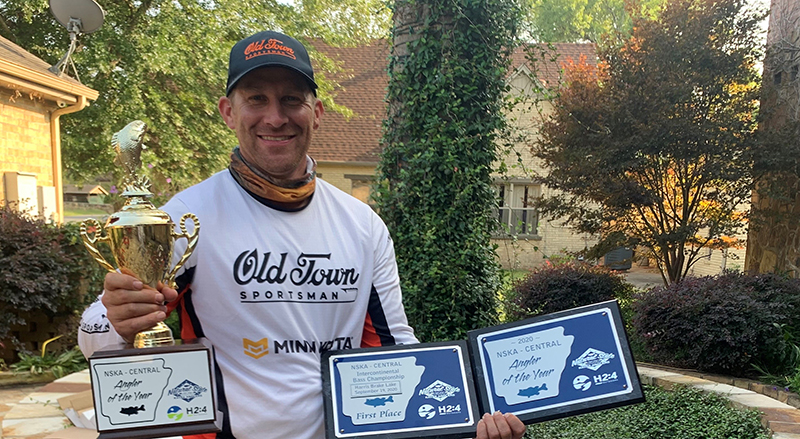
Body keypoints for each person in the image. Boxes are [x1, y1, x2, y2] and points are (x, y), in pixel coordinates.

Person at [78, 30, 526, 439]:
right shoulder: (187, 215)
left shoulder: (362, 222)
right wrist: (120, 319)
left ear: (317, 113)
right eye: (257, 99)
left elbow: (396, 346)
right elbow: (95, 333)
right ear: (228, 112)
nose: (275, 118)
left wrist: (465, 421)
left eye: (292, 99)